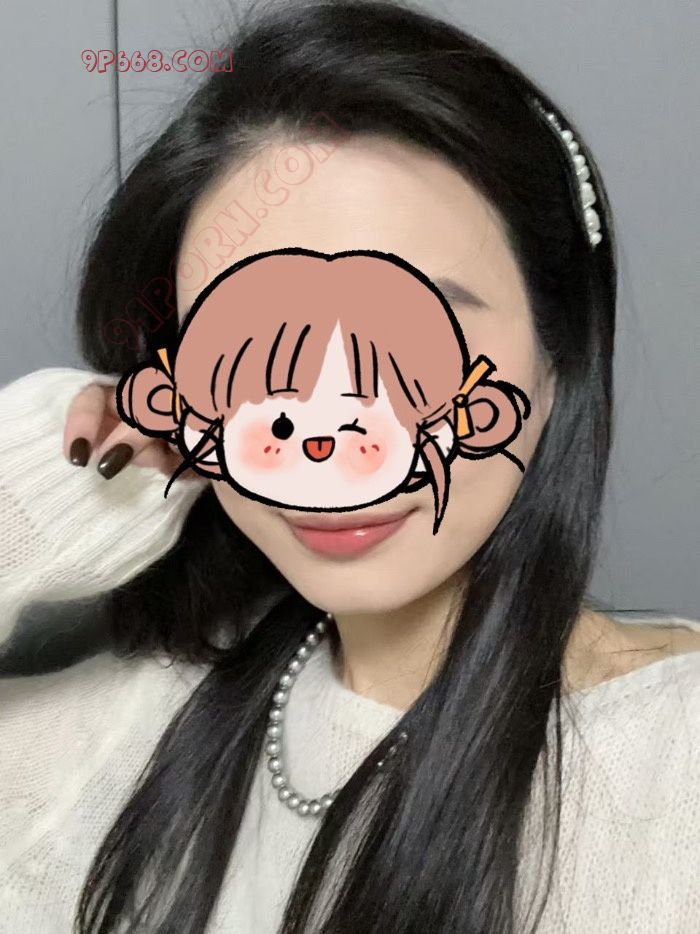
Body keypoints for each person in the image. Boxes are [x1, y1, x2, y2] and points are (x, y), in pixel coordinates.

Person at [0, 1, 698, 932]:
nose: (327, 450)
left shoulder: (674, 765)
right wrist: (66, 479)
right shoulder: (120, 729)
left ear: (555, 352)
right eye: (251, 349)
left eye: (415, 335)